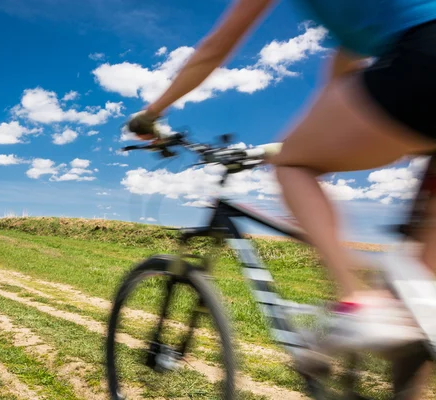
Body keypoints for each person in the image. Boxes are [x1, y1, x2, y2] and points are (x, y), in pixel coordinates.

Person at [128, 0, 436, 352]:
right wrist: (323, 139)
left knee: (292, 164)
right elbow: (342, 74)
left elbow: (215, 48)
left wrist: (150, 114)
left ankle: (356, 300)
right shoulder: (361, 23)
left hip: (423, 54)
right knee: (417, 305)